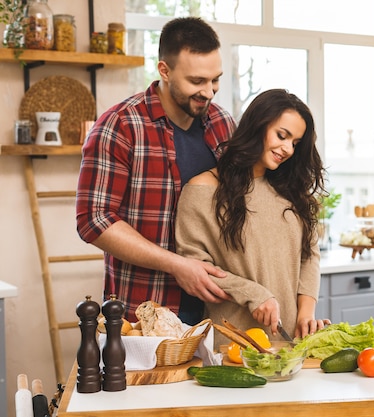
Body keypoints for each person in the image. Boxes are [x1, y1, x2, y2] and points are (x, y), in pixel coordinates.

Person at [76, 17, 236, 325]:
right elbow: (93, 220)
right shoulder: (120, 125)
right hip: (145, 313)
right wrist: (177, 265)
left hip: (218, 311)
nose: (210, 92)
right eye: (197, 81)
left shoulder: (223, 124)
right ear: (164, 70)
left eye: (215, 79)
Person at [175, 89, 329, 345]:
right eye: (282, 136)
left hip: (292, 345)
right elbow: (196, 269)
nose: (288, 149)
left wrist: (306, 314)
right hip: (235, 345)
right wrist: (253, 294)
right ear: (258, 125)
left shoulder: (292, 192)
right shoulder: (202, 191)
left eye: (296, 143)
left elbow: (309, 255)